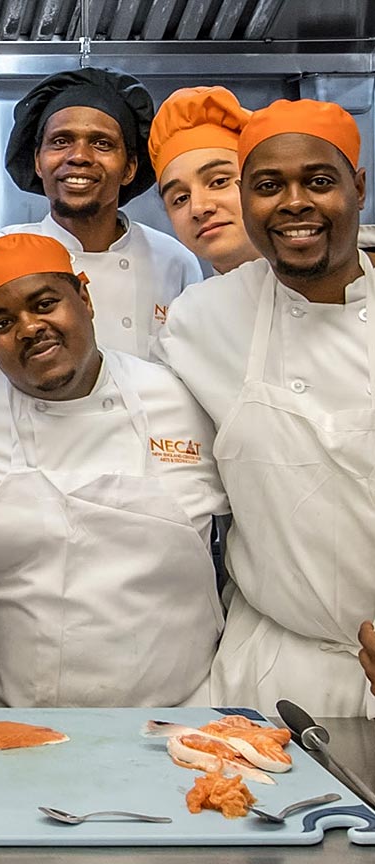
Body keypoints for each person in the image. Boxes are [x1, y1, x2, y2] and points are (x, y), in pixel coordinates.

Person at [0, 233, 226, 706]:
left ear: (84, 299)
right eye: (2, 322)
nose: (29, 329)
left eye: (45, 304)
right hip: (14, 722)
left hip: (181, 714)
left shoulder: (181, 397)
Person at [156, 99, 375, 717]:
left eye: (320, 182)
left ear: (358, 187)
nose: (295, 202)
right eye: (269, 186)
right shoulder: (201, 321)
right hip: (274, 669)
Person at [1, 67, 202, 360]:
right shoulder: (2, 253)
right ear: (38, 162)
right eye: (60, 141)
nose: (79, 156)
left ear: (130, 168)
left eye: (101, 143)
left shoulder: (174, 260)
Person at [149, 86, 260, 276]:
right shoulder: (191, 304)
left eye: (218, 182)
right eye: (181, 198)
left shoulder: (325, 289)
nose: (199, 208)